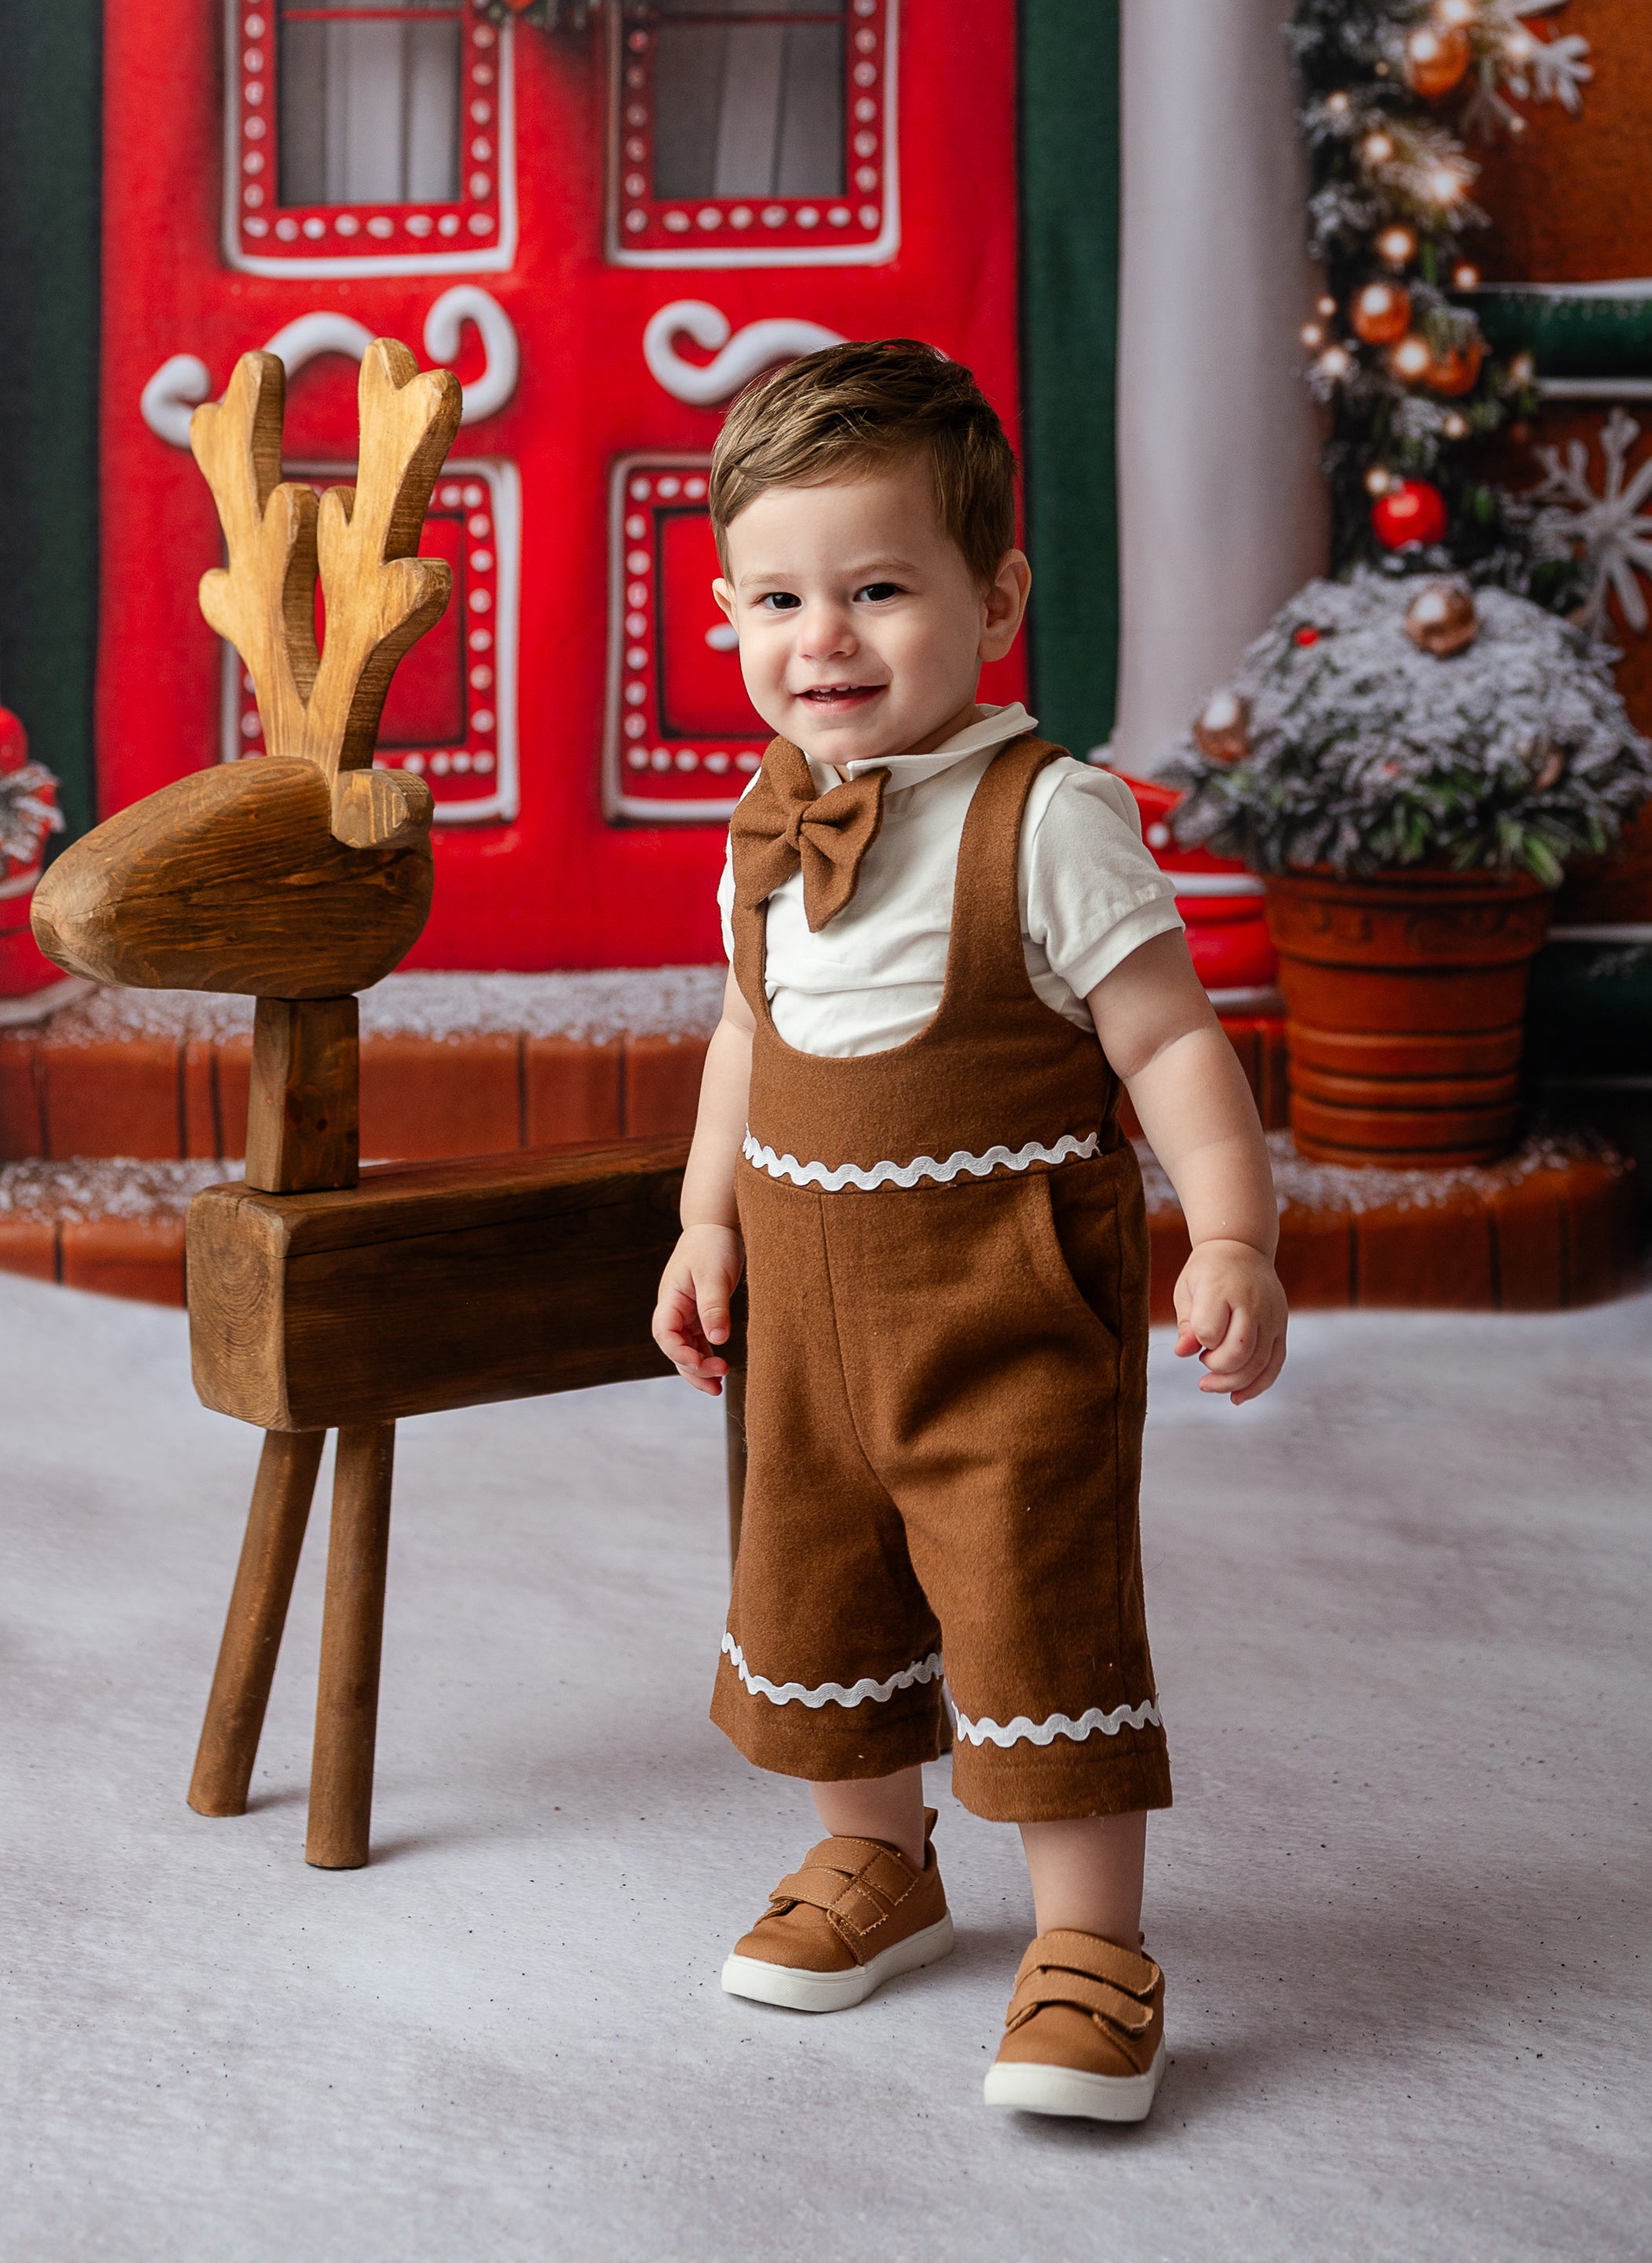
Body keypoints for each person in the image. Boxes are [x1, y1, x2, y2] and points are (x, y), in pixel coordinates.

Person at [652, 339, 1287, 2122]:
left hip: (1001, 1302)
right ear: (724, 614)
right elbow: (741, 1035)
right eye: (779, 596)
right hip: (805, 1312)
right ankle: (875, 1855)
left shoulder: (1050, 817)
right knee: (812, 1579)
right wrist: (704, 1218)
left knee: (1035, 1605)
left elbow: (1164, 1037)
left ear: (992, 596)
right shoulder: (762, 829)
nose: (824, 638)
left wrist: (1226, 1231)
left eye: (876, 588)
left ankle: (1090, 1941)